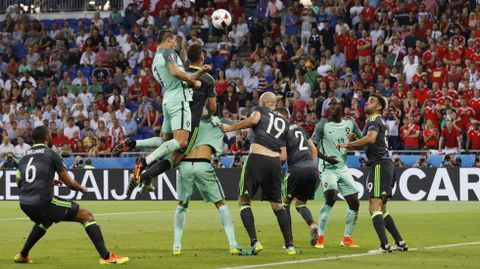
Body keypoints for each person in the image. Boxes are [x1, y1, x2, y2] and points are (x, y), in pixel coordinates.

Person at [14, 126, 128, 264]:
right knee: (86, 216)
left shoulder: (24, 157)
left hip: (24, 203)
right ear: (46, 138)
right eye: (50, 135)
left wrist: (48, 181)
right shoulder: (51, 154)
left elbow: (19, 183)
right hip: (42, 202)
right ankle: (106, 257)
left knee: (45, 221)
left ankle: (22, 254)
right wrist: (82, 189)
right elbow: (69, 183)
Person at [114, 44, 216, 194]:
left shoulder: (181, 72)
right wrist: (207, 115)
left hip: (171, 108)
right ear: (202, 58)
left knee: (164, 143)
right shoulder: (207, 78)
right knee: (175, 158)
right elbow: (213, 108)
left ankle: (135, 144)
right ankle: (140, 176)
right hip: (190, 120)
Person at [220, 92, 296, 255]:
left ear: (262, 103)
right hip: (275, 163)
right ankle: (290, 245)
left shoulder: (259, 110)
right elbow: (284, 153)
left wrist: (230, 127)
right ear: (275, 104)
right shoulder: (285, 122)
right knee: (277, 205)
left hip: (257, 159)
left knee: (244, 201)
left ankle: (255, 242)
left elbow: (253, 120)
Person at [130, 30, 209, 183]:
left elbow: (179, 78)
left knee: (166, 140)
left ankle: (135, 143)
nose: (175, 44)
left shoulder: (155, 59)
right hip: (178, 100)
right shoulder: (169, 53)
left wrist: (198, 75)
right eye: (173, 41)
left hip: (168, 99)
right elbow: (176, 73)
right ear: (167, 40)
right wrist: (193, 82)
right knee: (181, 142)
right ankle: (144, 162)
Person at [338, 94, 408, 253]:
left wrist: (348, 144)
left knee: (373, 206)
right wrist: (357, 139)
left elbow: (370, 139)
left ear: (379, 107)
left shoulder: (374, 120)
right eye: (368, 99)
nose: (367, 102)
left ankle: (384, 246)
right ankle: (400, 242)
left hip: (379, 165)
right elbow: (371, 143)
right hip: (386, 164)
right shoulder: (377, 121)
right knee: (382, 207)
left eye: (372, 101)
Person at [172, 116, 246, 256]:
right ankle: (232, 244)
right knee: (221, 204)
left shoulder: (187, 121)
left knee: (182, 204)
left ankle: (176, 246)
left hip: (185, 165)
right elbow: (232, 127)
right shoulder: (215, 121)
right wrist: (240, 135)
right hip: (203, 163)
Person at [311, 97, 362, 249]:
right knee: (331, 198)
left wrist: (354, 141)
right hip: (327, 167)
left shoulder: (350, 123)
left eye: (336, 103)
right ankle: (320, 237)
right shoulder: (323, 125)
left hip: (342, 167)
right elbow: (312, 147)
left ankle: (346, 238)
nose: (332, 106)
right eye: (331, 104)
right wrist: (326, 158)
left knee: (354, 202)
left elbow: (362, 140)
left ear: (342, 107)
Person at [277, 107, 319, 246]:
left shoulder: (282, 132)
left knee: (285, 204)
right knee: (300, 204)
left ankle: (289, 241)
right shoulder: (300, 129)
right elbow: (313, 149)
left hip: (296, 170)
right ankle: (312, 225)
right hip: (312, 170)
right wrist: (312, 166)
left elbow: (283, 158)